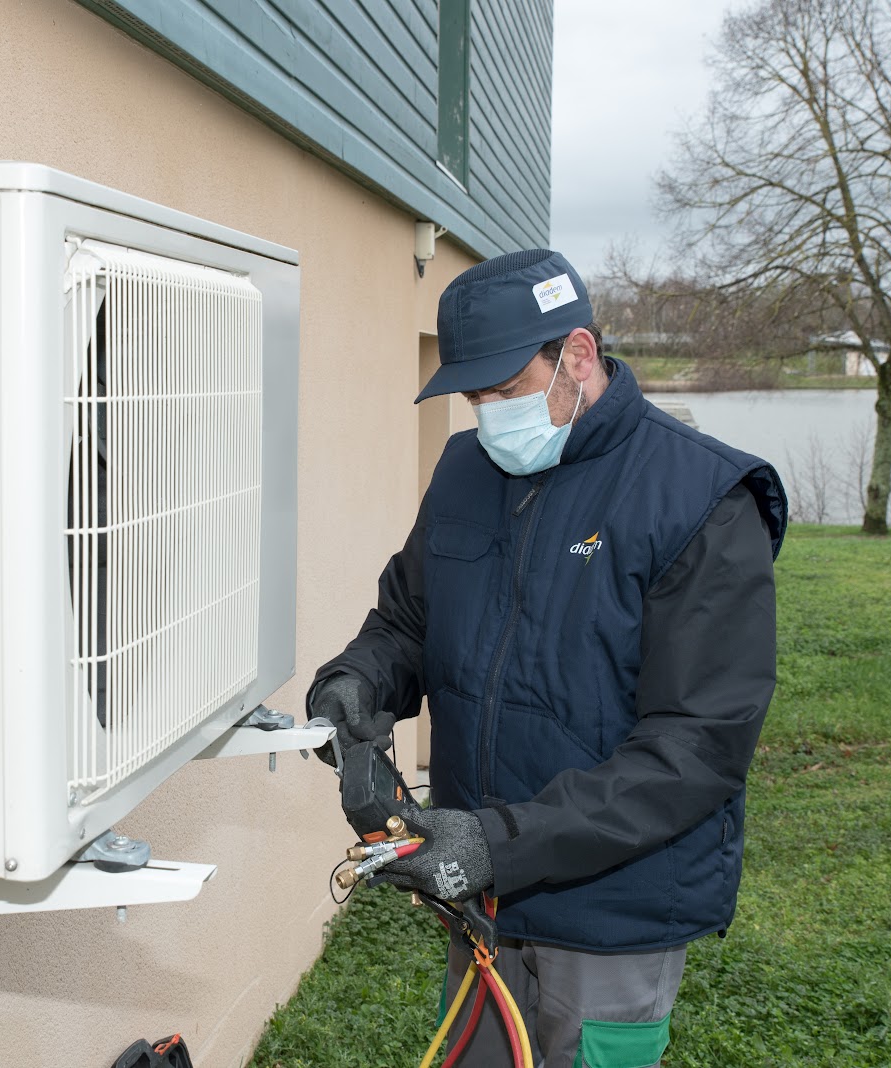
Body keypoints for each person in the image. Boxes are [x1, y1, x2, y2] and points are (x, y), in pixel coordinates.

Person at [310, 249, 786, 1068]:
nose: (488, 414)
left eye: (504, 390)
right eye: (473, 396)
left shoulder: (701, 499)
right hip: (483, 897)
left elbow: (695, 749)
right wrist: (356, 678)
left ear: (578, 355)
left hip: (613, 915)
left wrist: (502, 841)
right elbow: (408, 621)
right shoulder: (465, 469)